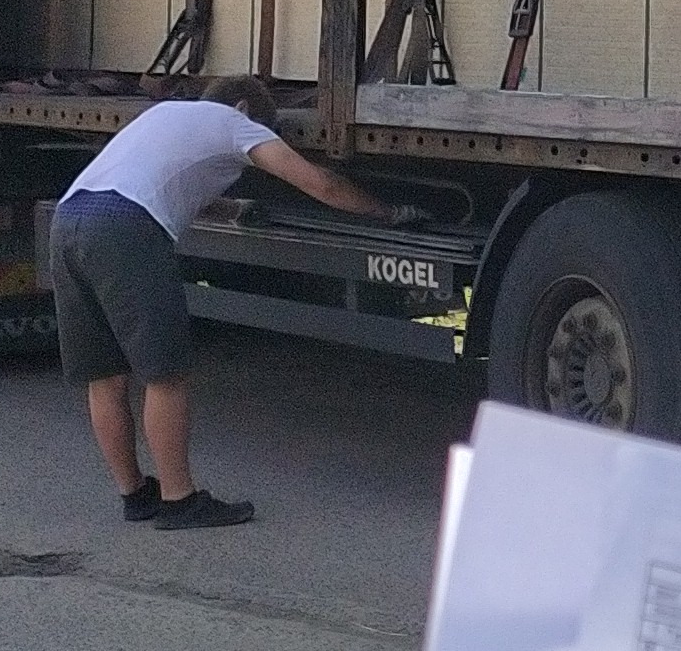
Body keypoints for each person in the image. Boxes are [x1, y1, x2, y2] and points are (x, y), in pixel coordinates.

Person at [46, 78, 421, 529]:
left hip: (69, 219)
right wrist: (389, 212)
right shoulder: (233, 122)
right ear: (243, 107)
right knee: (165, 373)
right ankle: (179, 501)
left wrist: (234, 209)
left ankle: (135, 494)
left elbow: (172, 181)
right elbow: (321, 184)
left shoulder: (166, 114)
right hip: (125, 230)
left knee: (105, 376)